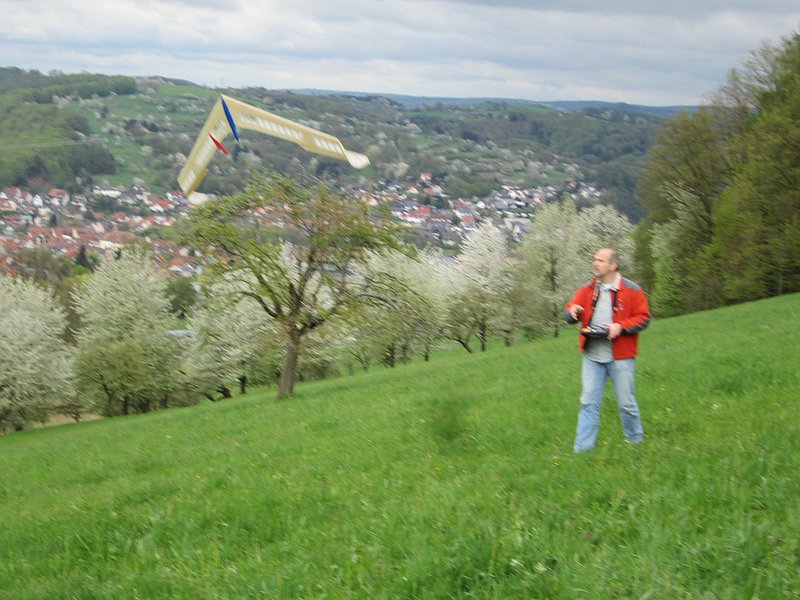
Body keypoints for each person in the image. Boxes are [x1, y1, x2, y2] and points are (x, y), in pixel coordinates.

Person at [565, 248, 650, 452]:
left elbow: (644, 318)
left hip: (620, 356)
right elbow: (570, 313)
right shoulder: (586, 289)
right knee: (588, 402)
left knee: (626, 403)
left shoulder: (632, 290)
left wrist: (620, 327)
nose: (595, 263)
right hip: (593, 356)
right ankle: (583, 449)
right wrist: (572, 312)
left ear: (613, 265)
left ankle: (635, 441)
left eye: (600, 261)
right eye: (594, 259)